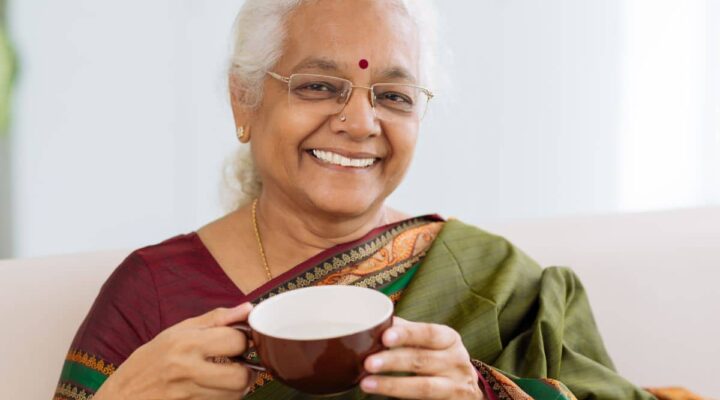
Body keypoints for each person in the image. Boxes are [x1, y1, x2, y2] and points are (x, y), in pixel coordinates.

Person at [54, 0, 657, 399]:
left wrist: (484, 392)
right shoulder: (151, 293)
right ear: (244, 100)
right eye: (319, 86)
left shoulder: (494, 282)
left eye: (394, 96)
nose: (361, 122)